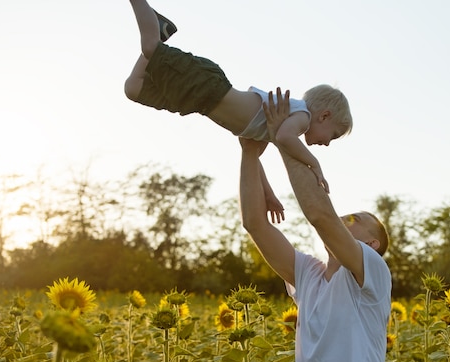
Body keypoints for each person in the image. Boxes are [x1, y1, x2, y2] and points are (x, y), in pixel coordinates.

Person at [239, 90, 392, 362]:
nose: (345, 217)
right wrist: (250, 153)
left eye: (356, 219)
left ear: (373, 244)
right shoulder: (308, 275)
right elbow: (255, 223)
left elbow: (320, 214)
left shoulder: (372, 272)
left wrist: (284, 137)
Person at [124, 0, 353, 213]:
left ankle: (160, 32)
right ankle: (149, 21)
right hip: (207, 86)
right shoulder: (300, 116)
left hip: (196, 101)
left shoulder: (272, 125)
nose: (326, 143)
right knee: (150, 46)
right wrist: (315, 164)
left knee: (133, 88)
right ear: (324, 116)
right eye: (332, 135)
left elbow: (256, 157)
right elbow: (285, 138)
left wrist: (269, 194)